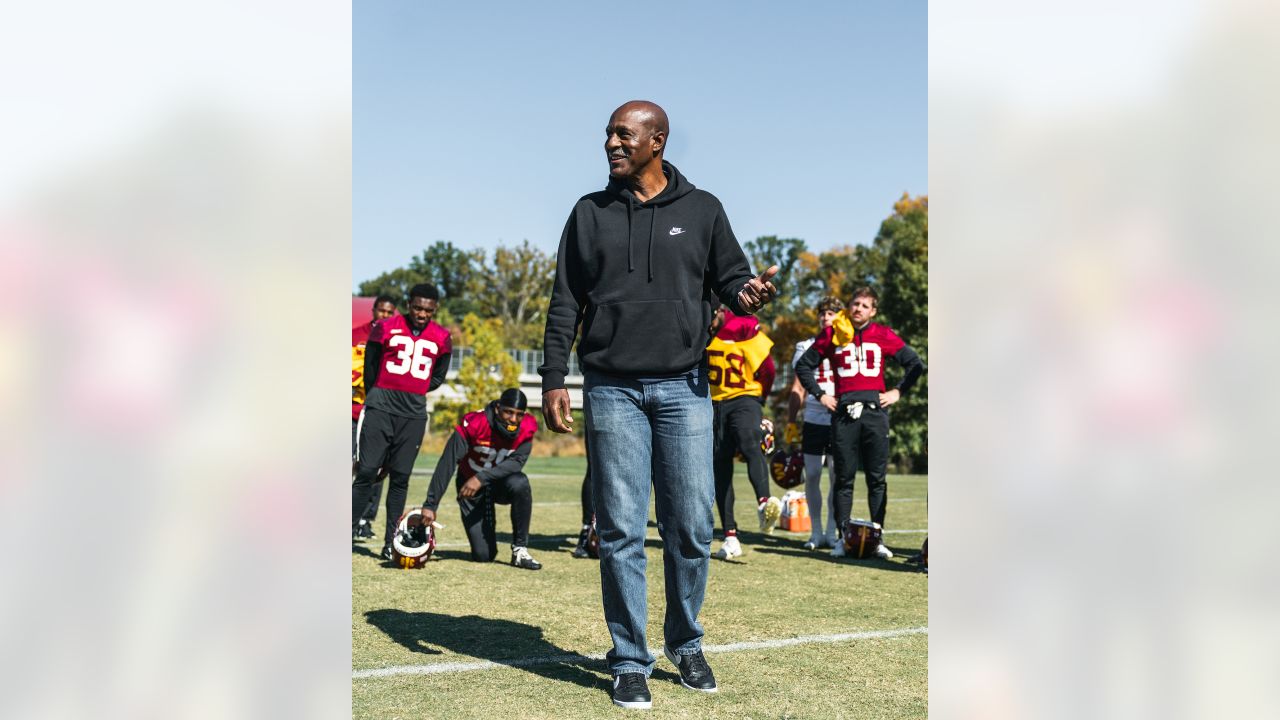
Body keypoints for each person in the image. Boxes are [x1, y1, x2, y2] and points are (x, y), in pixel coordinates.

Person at [539, 100, 779, 710]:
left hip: (684, 387)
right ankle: (628, 659)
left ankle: (687, 642)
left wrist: (748, 295)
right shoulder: (588, 213)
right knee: (620, 526)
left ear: (658, 140)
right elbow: (565, 301)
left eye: (624, 134)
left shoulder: (704, 210)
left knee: (692, 526)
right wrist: (553, 379)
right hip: (611, 387)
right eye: (609, 135)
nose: (611, 144)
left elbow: (733, 286)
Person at [794, 287, 925, 560]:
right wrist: (820, 394)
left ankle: (877, 538)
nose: (858, 309)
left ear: (873, 311)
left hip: (875, 413)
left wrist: (897, 391)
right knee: (844, 478)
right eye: (855, 304)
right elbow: (804, 365)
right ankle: (844, 539)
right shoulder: (834, 332)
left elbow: (914, 363)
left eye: (865, 306)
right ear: (849, 306)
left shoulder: (883, 334)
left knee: (877, 479)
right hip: (844, 414)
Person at [352, 283, 452, 561]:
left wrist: (414, 389)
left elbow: (438, 376)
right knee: (368, 471)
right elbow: (370, 366)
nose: (422, 314)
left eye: (428, 310)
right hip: (381, 409)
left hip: (413, 414)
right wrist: (379, 394)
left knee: (400, 477)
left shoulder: (443, 336)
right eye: (418, 308)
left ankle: (390, 542)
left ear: (435, 310)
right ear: (408, 304)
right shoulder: (385, 327)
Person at [419, 389, 543, 570]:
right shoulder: (475, 423)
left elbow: (517, 463)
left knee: (520, 482)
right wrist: (431, 504)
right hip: (469, 487)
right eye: (509, 412)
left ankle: (520, 550)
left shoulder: (527, 426)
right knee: (484, 555)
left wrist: (481, 477)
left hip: (500, 483)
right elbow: (447, 463)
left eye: (519, 415)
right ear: (498, 408)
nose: (513, 419)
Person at [705, 301, 781, 560]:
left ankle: (764, 502)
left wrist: (760, 400)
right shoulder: (701, 332)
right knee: (720, 466)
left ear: (720, 310)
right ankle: (730, 536)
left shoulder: (743, 328)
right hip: (714, 403)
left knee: (750, 444)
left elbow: (768, 368)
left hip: (743, 398)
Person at [785, 296, 842, 551]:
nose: (825, 317)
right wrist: (790, 421)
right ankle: (816, 531)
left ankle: (831, 531)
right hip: (814, 417)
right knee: (813, 475)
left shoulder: (847, 343)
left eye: (831, 313)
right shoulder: (806, 346)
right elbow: (798, 386)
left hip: (841, 417)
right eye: (822, 313)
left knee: (836, 475)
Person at [352, 295, 398, 541]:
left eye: (389, 312)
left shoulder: (399, 339)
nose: (384, 316)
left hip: (382, 412)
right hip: (354, 410)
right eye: (381, 311)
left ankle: (365, 519)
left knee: (377, 465)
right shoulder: (354, 335)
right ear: (373, 311)